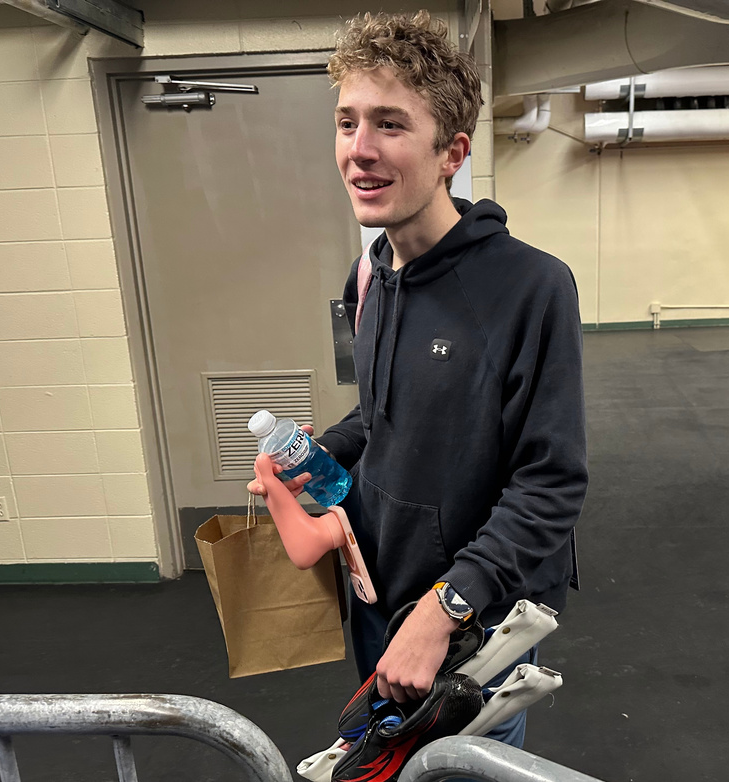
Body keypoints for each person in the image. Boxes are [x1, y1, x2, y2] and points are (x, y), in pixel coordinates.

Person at [250, 10, 588, 751]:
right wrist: (319, 450)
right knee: (389, 763)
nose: (359, 151)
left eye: (390, 125)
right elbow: (382, 416)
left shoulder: (531, 287)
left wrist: (445, 611)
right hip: (378, 586)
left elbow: (551, 484)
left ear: (451, 153)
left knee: (465, 770)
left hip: (473, 613)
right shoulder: (369, 272)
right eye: (347, 122)